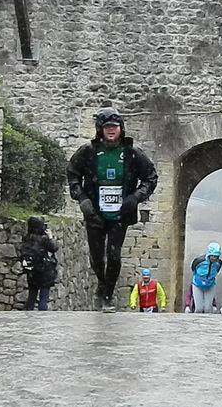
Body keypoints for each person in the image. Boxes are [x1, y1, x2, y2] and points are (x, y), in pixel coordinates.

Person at [67, 107, 158, 312]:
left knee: (114, 255)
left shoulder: (131, 153)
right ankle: (102, 282)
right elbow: (72, 173)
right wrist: (82, 198)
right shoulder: (88, 152)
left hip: (120, 213)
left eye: (114, 127)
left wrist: (136, 198)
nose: (111, 130)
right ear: (100, 129)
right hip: (94, 211)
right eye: (107, 126)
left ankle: (108, 294)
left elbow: (151, 178)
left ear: (121, 129)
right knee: (97, 256)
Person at [19, 216, 59, 311]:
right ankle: (42, 317)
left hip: (32, 271)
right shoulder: (44, 240)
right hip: (45, 272)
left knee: (32, 296)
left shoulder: (26, 238)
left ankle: (28, 314)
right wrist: (50, 237)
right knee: (43, 298)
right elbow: (54, 248)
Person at [190, 242, 222, 313]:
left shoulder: (218, 263)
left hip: (210, 284)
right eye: (213, 256)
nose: (214, 258)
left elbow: (217, 271)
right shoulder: (199, 261)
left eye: (216, 256)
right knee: (199, 308)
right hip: (197, 284)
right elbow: (193, 268)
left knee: (208, 309)